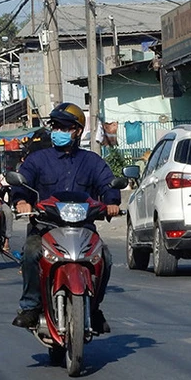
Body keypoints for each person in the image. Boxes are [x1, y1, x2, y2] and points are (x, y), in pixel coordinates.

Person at [11, 102, 121, 334]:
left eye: (64, 127)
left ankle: (94, 308)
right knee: (31, 252)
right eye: (55, 126)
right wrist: (21, 201)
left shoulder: (92, 161)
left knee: (106, 258)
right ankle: (30, 307)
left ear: (78, 131)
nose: (58, 131)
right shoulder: (37, 160)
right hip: (45, 228)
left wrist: (112, 202)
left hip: (83, 230)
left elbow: (107, 183)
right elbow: (23, 181)